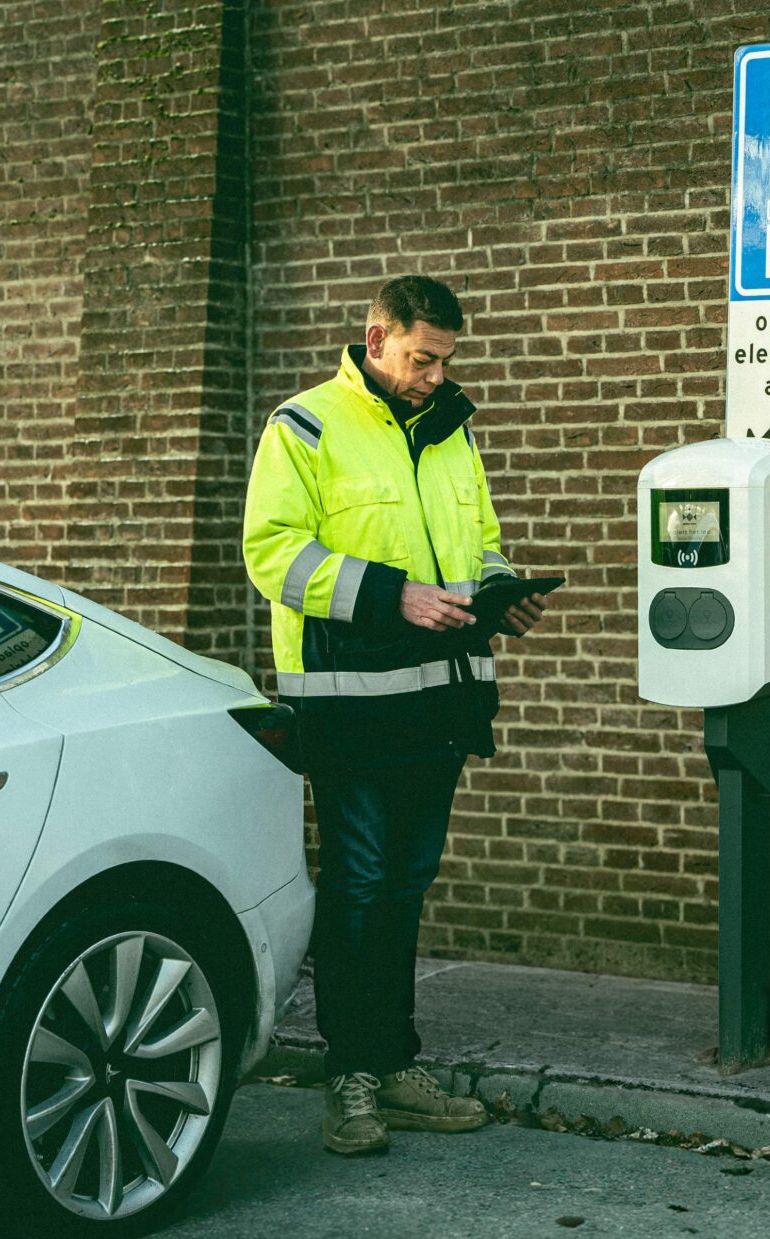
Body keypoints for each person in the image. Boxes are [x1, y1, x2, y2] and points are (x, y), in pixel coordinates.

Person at [242, 275, 547, 1156]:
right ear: (375, 340)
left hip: (440, 702)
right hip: (349, 706)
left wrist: (502, 592)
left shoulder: (455, 431)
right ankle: (354, 1078)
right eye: (422, 358)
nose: (435, 375)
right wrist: (393, 599)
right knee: (361, 885)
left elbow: (477, 542)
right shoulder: (303, 425)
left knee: (405, 889)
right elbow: (274, 553)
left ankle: (396, 1062)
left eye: (446, 360)